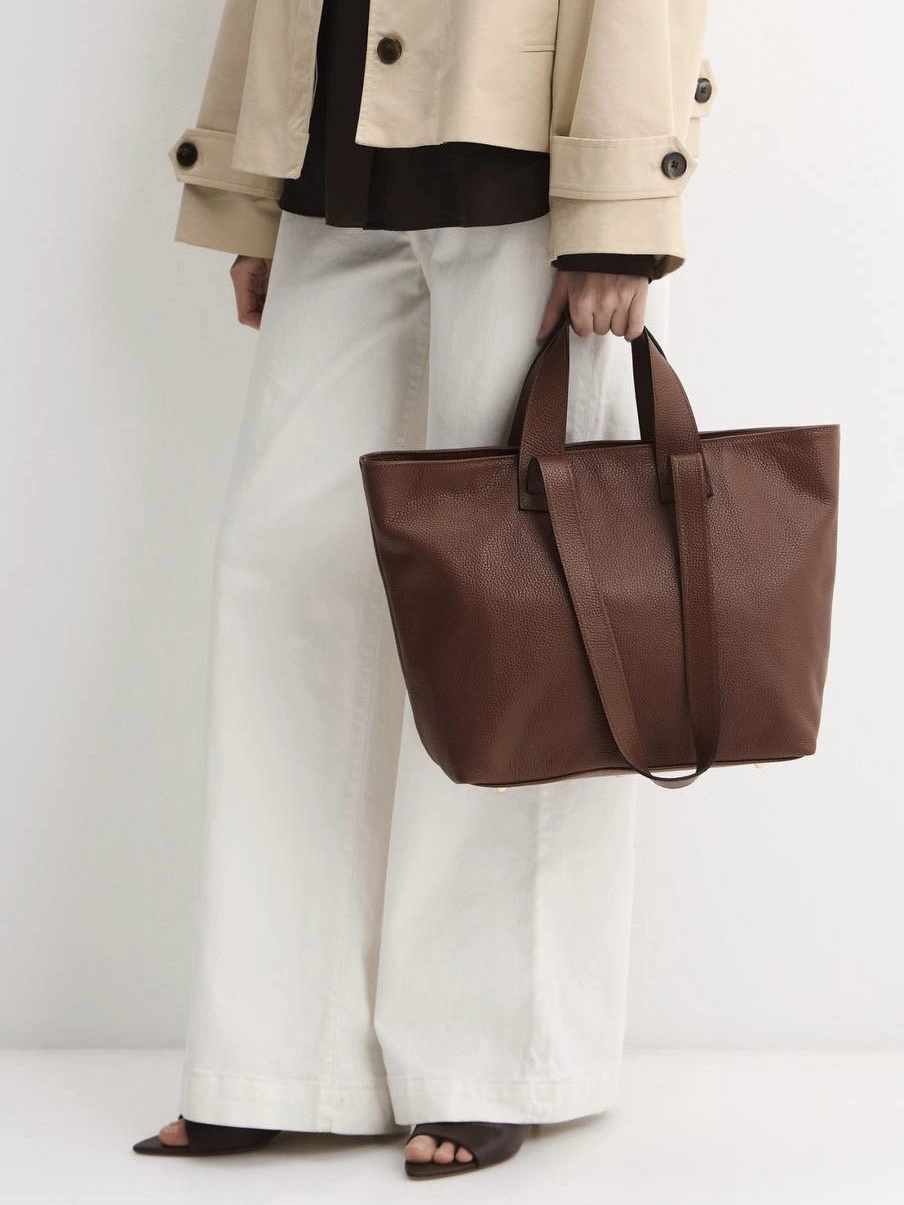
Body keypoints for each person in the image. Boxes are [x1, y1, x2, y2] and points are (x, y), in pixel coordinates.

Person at [132, 0, 714, 1179]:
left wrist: (617, 207)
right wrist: (248, 182)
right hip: (331, 163)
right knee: (290, 588)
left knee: (517, 618)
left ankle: (495, 1051)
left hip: (525, 173)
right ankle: (282, 1053)